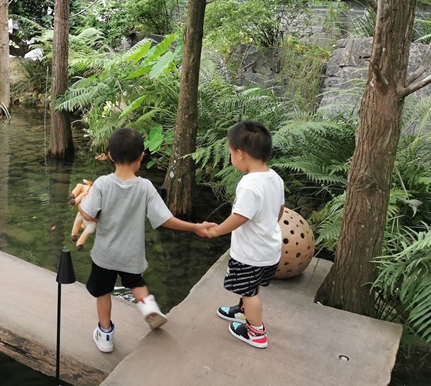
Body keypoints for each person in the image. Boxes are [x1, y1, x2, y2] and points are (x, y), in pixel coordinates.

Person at [77, 127, 214, 353]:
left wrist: (81, 204)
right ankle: (148, 306)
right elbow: (165, 219)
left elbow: (89, 215)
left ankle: (105, 335)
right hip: (131, 254)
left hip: (105, 256)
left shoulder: (102, 184)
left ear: (110, 156)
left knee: (103, 292)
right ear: (141, 156)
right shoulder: (145, 187)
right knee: (136, 283)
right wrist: (195, 227)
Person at [204, 120, 284, 349]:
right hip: (269, 249)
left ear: (239, 154)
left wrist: (217, 230)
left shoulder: (249, 184)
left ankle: (256, 332)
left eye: (230, 153)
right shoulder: (274, 177)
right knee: (252, 284)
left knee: (249, 292)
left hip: (251, 253)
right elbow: (279, 210)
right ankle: (242, 311)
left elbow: (240, 217)